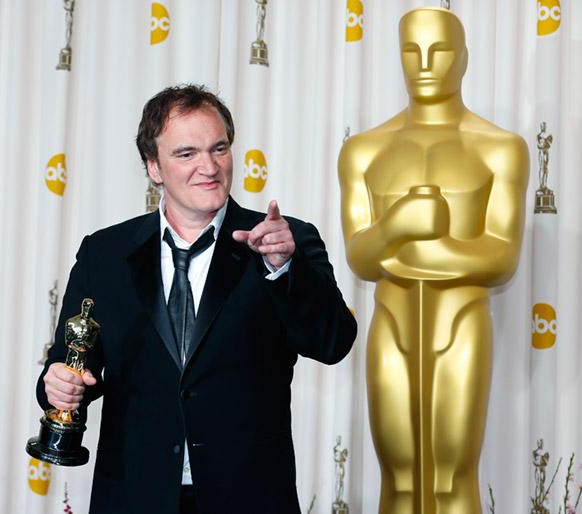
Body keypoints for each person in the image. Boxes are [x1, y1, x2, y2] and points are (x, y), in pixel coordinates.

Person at [38, 84, 357, 514]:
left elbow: (333, 342)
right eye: (186, 153)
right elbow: (71, 364)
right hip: (135, 495)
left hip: (249, 497)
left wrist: (284, 269)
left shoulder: (284, 241)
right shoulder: (105, 254)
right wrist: (57, 385)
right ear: (153, 167)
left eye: (219, 148)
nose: (208, 166)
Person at [338, 7, 527, 514]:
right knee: (398, 480)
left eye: (440, 50)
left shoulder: (500, 149)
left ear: (463, 58)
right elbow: (358, 254)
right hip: (391, 322)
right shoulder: (363, 151)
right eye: (411, 50)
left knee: (451, 479)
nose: (425, 63)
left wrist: (431, 249)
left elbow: (503, 256)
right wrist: (397, 228)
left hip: (461, 322)